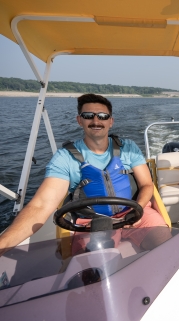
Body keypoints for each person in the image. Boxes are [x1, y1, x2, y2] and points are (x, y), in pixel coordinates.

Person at [0, 93, 168, 256]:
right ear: (79, 120)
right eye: (88, 115)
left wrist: (137, 211)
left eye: (102, 116)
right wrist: (2, 245)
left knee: (166, 248)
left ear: (111, 121)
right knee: (92, 271)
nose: (96, 121)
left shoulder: (128, 147)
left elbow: (147, 184)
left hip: (136, 213)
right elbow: (41, 205)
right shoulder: (65, 158)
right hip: (91, 223)